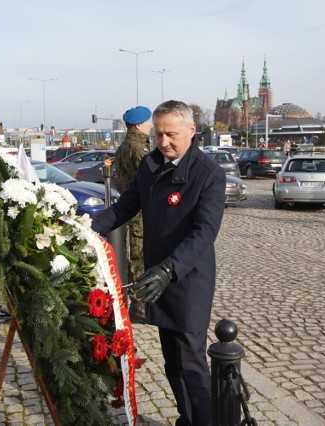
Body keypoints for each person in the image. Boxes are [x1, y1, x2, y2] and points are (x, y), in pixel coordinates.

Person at [92, 100, 226, 425]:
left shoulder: (209, 174)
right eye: (158, 135)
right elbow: (125, 206)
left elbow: (204, 232)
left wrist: (169, 270)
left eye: (171, 135)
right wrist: (87, 227)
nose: (164, 142)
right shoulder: (151, 164)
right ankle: (187, 417)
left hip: (186, 280)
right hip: (157, 280)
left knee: (191, 363)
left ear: (191, 131)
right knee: (172, 362)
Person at [115, 105, 152, 324]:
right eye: (147, 123)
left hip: (131, 207)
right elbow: (150, 178)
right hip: (139, 210)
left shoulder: (124, 146)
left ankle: (139, 301)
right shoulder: (138, 148)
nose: (149, 127)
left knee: (136, 255)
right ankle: (139, 305)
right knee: (140, 257)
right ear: (139, 125)